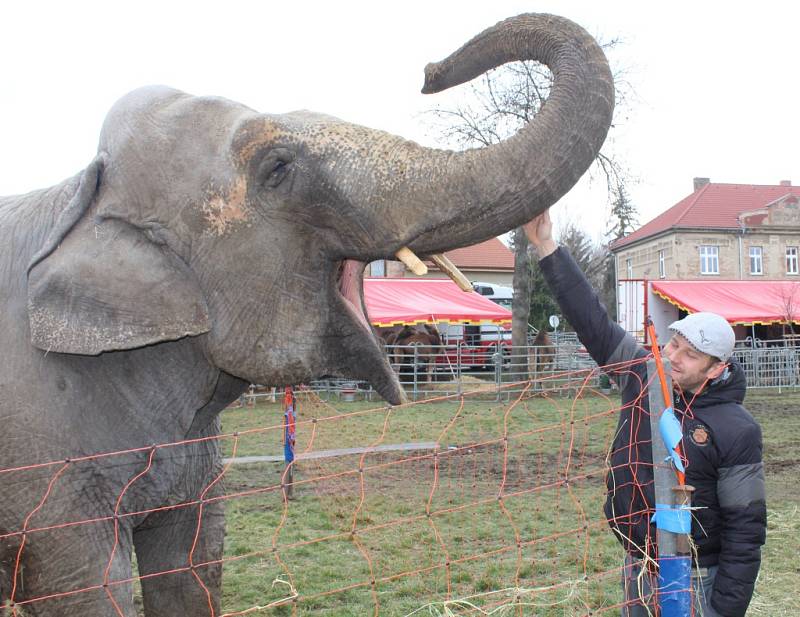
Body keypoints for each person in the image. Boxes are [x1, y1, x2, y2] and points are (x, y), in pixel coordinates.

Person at [524, 210, 766, 617]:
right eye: (673, 346)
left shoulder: (738, 430)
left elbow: (746, 528)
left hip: (696, 576)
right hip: (638, 566)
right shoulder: (642, 375)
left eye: (690, 355)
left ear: (716, 368)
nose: (672, 358)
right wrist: (548, 247)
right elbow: (592, 322)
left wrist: (723, 610)